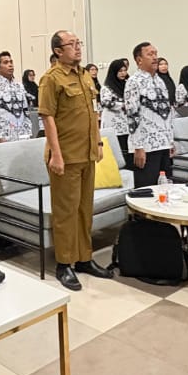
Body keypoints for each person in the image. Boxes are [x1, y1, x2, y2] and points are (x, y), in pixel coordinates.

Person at [39, 31, 111, 291]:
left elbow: (93, 113)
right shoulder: (51, 79)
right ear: (58, 51)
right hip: (66, 156)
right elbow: (47, 117)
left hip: (86, 153)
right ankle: (64, 263)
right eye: (71, 44)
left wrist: (98, 142)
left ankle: (83, 258)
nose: (78, 48)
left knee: (84, 210)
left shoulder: (84, 75)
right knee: (65, 212)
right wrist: (56, 154)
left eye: (78, 43)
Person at [125, 42, 175, 187]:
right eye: (150, 54)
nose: (155, 57)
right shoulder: (133, 82)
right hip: (146, 146)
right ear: (139, 60)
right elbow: (132, 115)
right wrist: (138, 146)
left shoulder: (160, 81)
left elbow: (167, 112)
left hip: (163, 142)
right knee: (148, 188)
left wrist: (170, 140)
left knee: (165, 186)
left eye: (155, 53)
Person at [0, 50, 31, 141]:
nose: (10, 65)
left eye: (11, 62)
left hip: (22, 136)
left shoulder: (19, 86)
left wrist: (28, 133)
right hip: (3, 137)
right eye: (6, 63)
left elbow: (26, 111)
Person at [99, 58, 131, 157]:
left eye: (125, 70)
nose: (123, 73)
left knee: (127, 152)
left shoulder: (127, 85)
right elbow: (105, 102)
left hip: (126, 124)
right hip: (113, 124)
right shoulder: (107, 87)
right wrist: (122, 105)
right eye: (120, 71)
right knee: (116, 153)